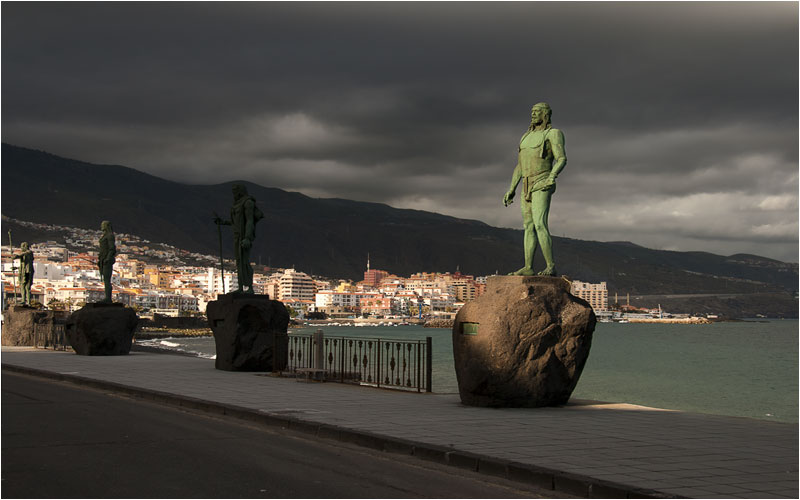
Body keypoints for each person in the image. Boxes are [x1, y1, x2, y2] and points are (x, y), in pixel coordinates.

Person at [503, 102, 567, 276]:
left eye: (537, 112)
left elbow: (561, 158)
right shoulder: (525, 137)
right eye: (531, 112)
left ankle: (550, 266)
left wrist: (552, 177)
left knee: (540, 224)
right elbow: (520, 166)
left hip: (542, 180)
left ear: (545, 114)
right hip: (526, 183)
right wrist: (511, 189)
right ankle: (528, 267)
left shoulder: (553, 134)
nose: (533, 114)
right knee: (528, 226)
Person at [215, 184, 262, 294]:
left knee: (245, 261)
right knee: (239, 262)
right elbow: (236, 222)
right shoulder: (237, 204)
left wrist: (247, 238)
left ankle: (249, 288)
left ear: (240, 192)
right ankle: (241, 288)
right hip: (237, 236)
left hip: (244, 237)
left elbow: (250, 221)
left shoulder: (248, 203)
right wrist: (223, 222)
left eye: (235, 192)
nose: (234, 195)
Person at [98, 220, 117, 303]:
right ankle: (107, 297)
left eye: (103, 224)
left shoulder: (110, 236)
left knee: (107, 279)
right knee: (105, 279)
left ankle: (108, 298)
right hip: (103, 259)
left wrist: (108, 258)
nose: (101, 226)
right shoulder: (105, 236)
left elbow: (112, 248)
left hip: (107, 260)